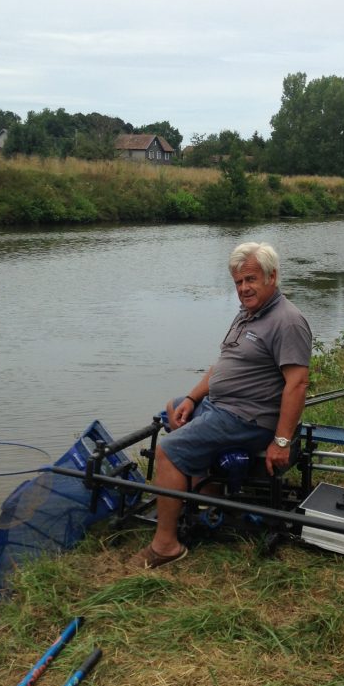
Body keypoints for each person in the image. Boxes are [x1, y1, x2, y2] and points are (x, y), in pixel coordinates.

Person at [129, 241, 312, 570]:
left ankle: (166, 545)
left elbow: (297, 384)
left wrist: (281, 440)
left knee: (168, 450)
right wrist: (191, 398)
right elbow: (222, 364)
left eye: (251, 279)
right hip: (222, 406)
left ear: (272, 277)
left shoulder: (288, 321)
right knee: (172, 408)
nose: (244, 288)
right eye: (239, 282)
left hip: (248, 419)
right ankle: (210, 498)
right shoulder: (248, 314)